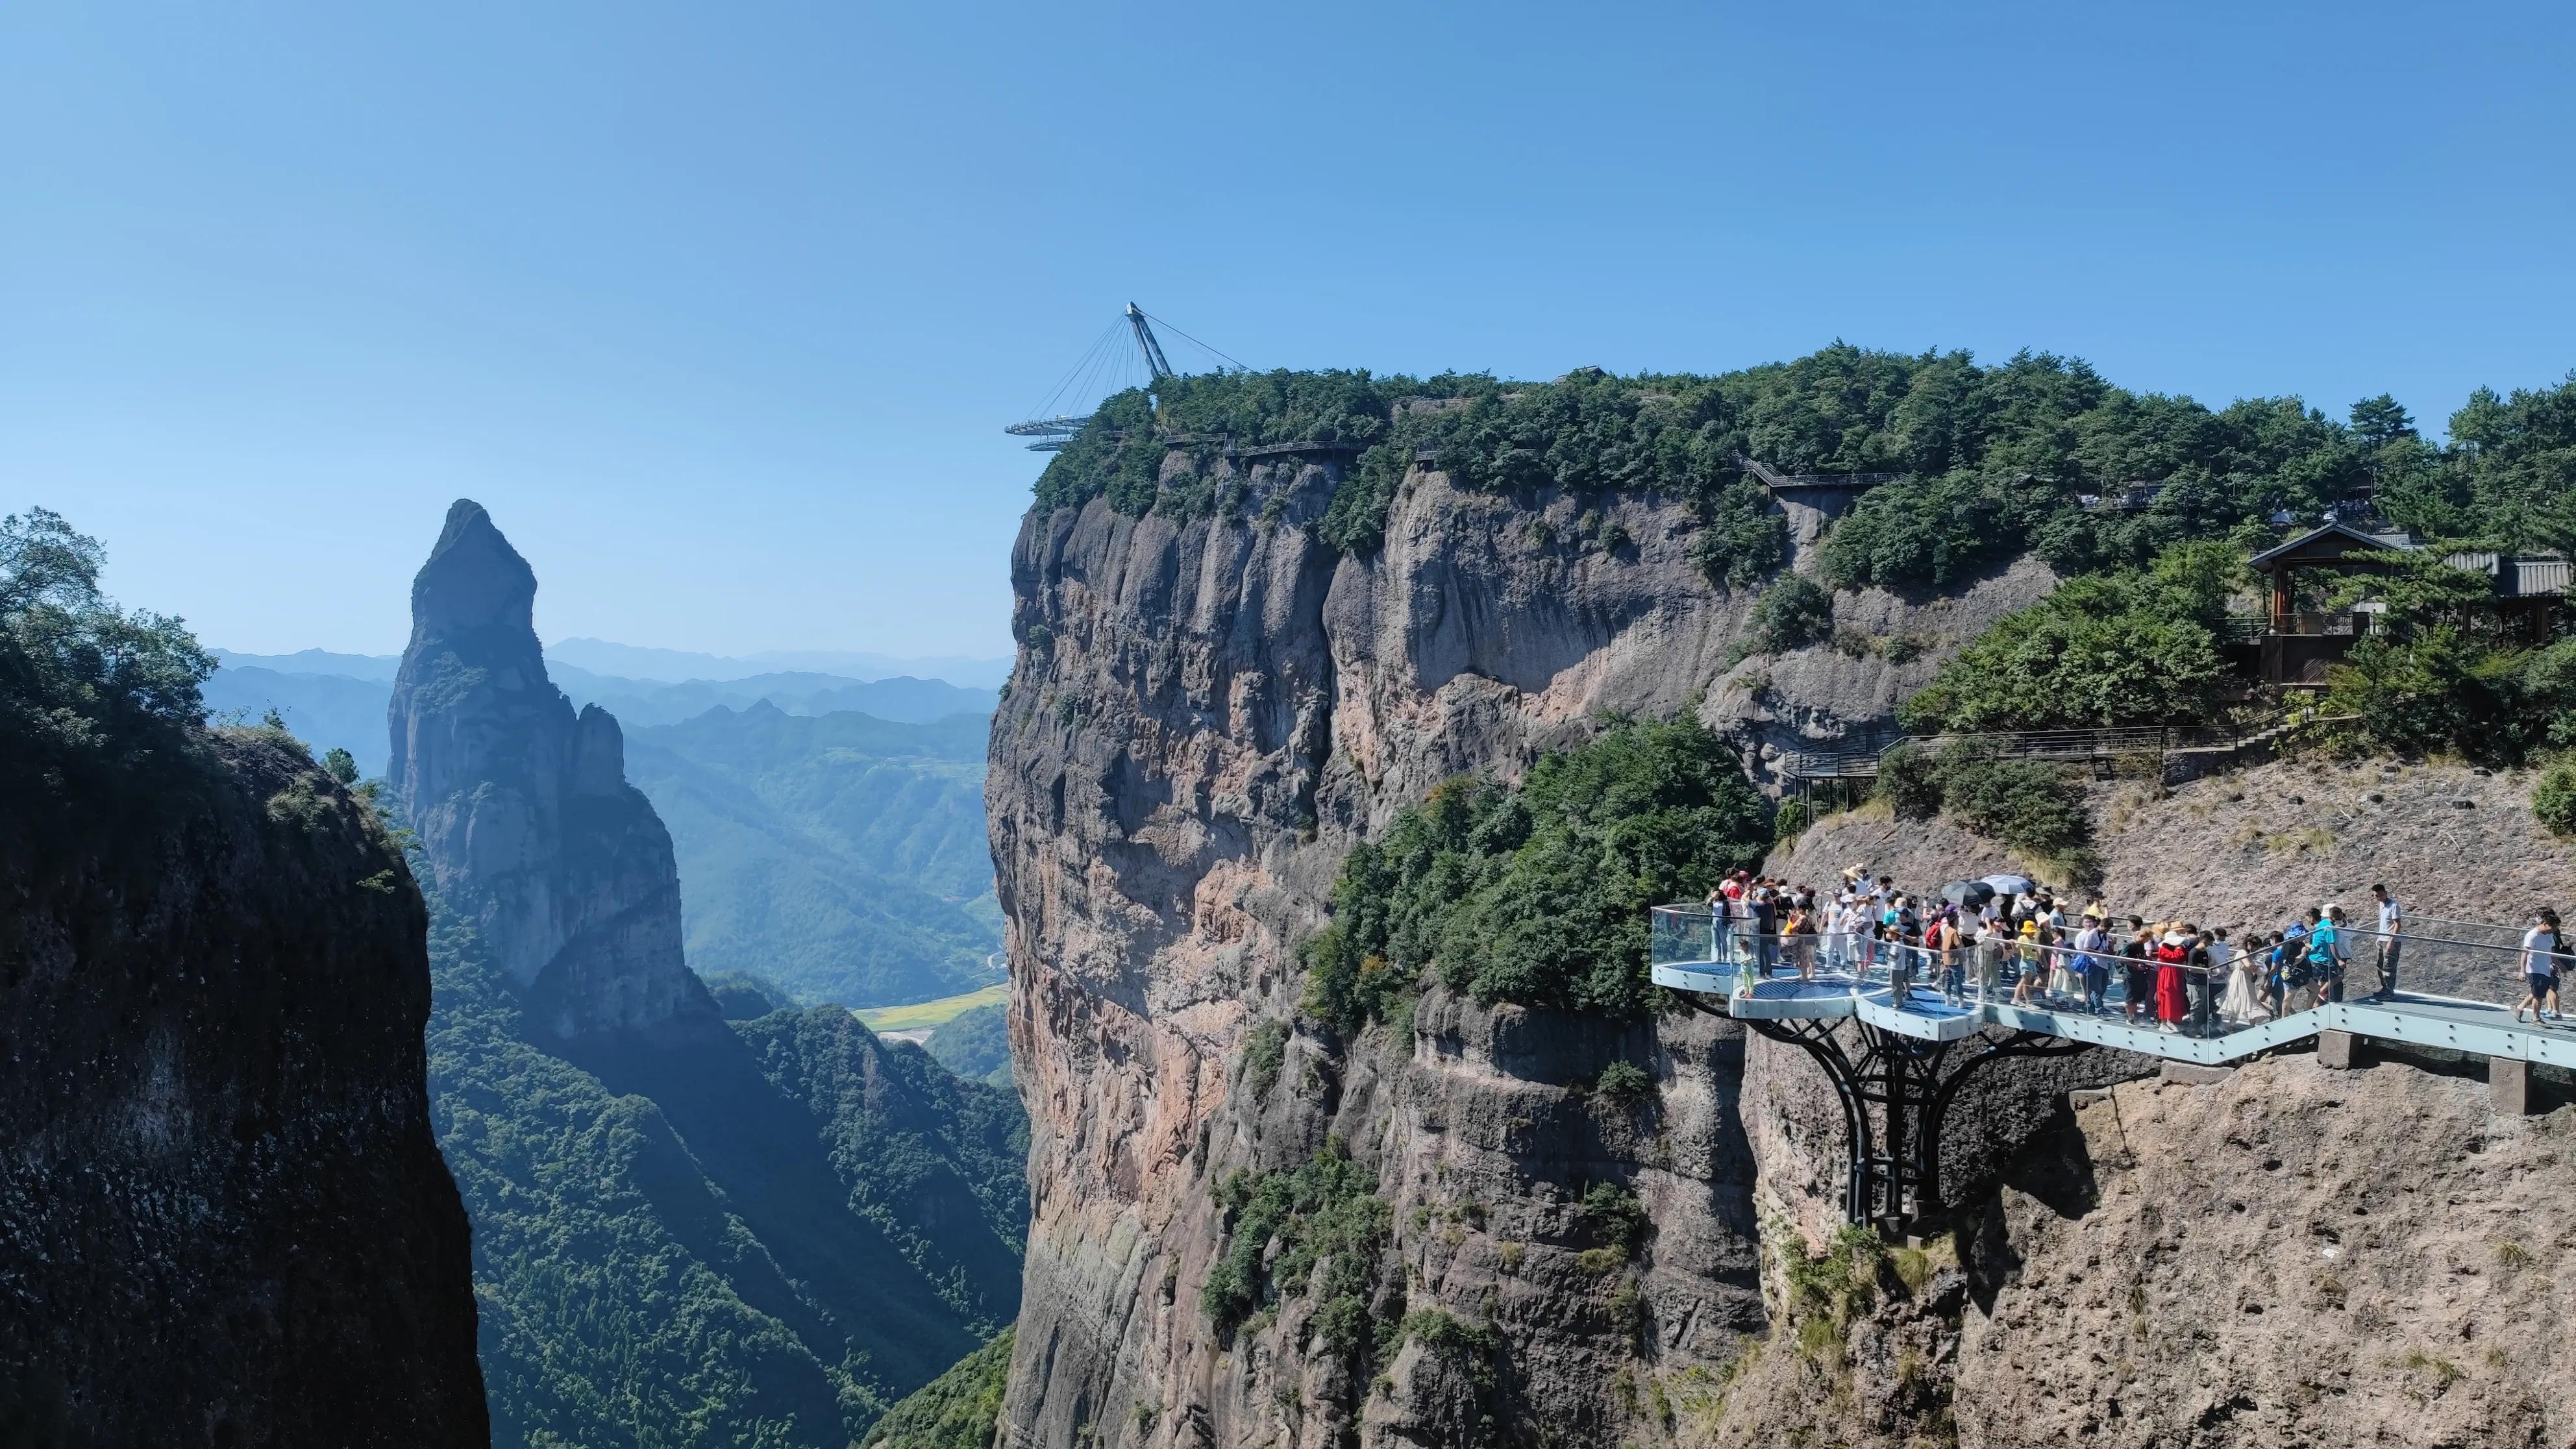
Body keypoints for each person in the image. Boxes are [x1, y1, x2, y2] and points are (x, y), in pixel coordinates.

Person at [2516, 910, 2562, 1024]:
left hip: (2546, 969)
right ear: (2546, 924)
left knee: (2540, 993)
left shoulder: (2549, 935)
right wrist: (2522, 970)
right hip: (2534, 969)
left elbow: (2551, 952)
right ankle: (2535, 1018)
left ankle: (2519, 1009)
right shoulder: (2532, 935)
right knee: (2538, 995)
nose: (2554, 930)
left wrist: (2556, 964)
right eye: (2553, 928)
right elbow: (2525, 953)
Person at [2220, 928, 2265, 1023]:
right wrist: (2258, 967)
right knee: (2239, 1000)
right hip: (2240, 978)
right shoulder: (2242, 952)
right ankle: (2231, 1025)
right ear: (2249, 944)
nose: (2256, 950)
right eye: (2256, 947)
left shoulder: (2249, 954)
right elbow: (2248, 965)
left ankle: (2251, 1025)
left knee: (2250, 1000)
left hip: (2247, 978)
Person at [2153, 926, 2191, 1033]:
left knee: (2174, 997)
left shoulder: (2173, 948)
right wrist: (2179, 948)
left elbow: (2183, 956)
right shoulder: (2163, 949)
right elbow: (2175, 956)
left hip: (2175, 973)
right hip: (2167, 974)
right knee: (2166, 997)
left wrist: (2181, 948)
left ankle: (2170, 1021)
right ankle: (2163, 1023)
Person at [2371, 884, 2403, 1001]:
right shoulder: (2381, 905)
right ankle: (2384, 988)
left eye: (2380, 895)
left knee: (2389, 967)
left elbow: (2397, 924)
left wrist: (2392, 941)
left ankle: (2389, 992)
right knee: (2380, 966)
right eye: (2376, 896)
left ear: (2385, 893)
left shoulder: (2393, 906)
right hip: (2382, 940)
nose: (2378, 898)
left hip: (2391, 941)